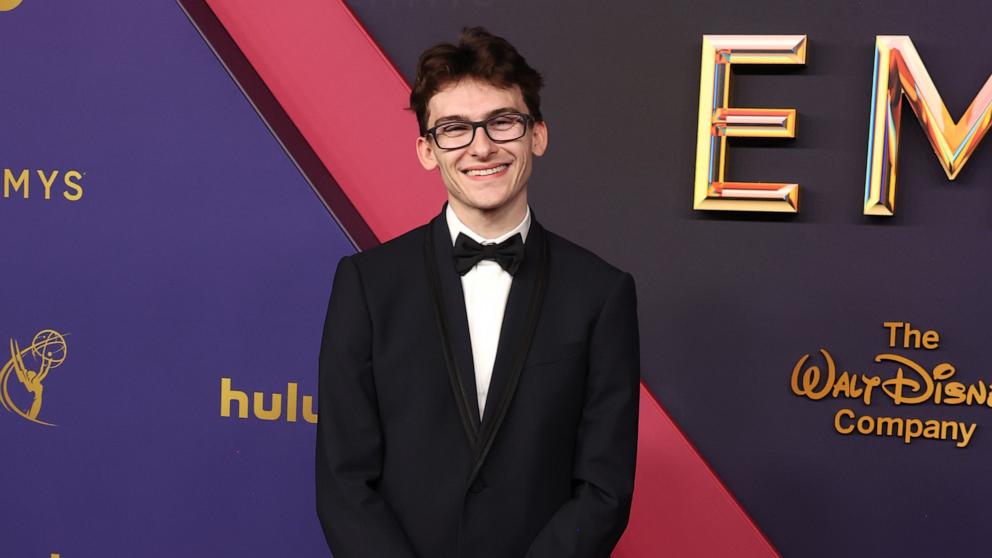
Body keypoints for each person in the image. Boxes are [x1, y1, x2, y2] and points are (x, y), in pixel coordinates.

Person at [316, 26, 640, 558]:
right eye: (454, 129)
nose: (481, 146)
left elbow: (605, 489)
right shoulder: (367, 284)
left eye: (502, 122)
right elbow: (342, 477)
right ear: (427, 150)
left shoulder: (601, 293)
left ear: (537, 135)